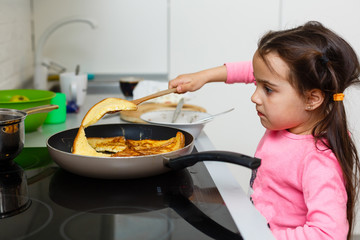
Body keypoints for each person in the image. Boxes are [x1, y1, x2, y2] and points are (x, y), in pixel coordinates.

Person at [169, 21, 360, 240]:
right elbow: (256, 71)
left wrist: (261, 236)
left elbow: (328, 234)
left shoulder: (318, 160)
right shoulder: (290, 123)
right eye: (256, 84)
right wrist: (203, 76)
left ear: (312, 98)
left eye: (267, 89)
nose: (255, 97)